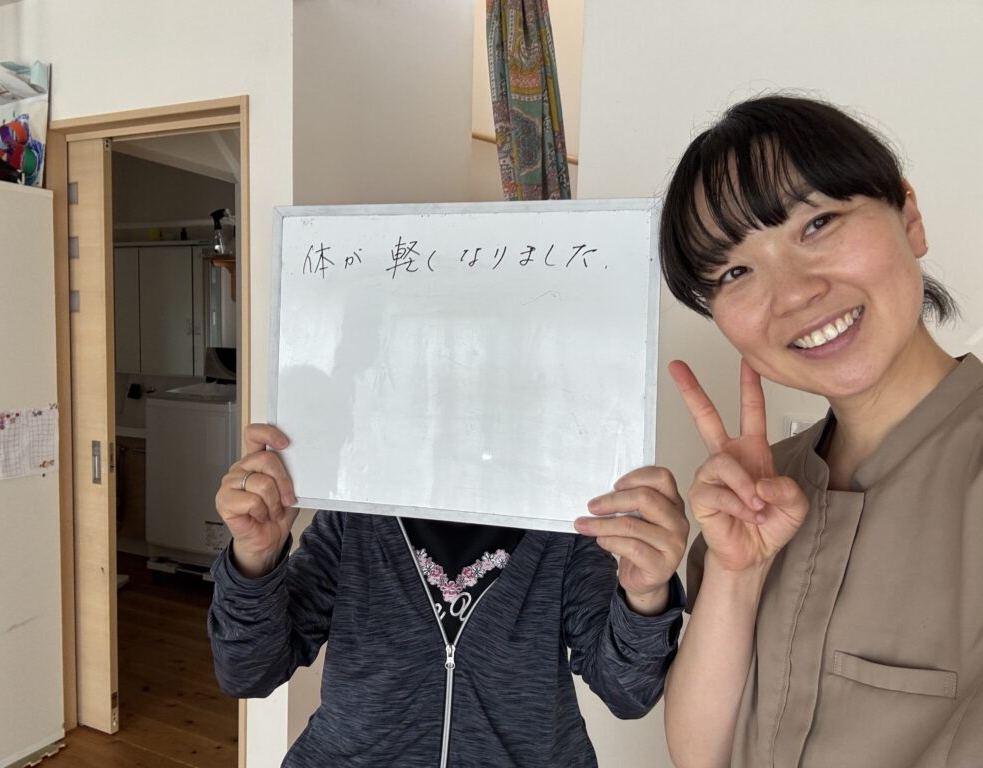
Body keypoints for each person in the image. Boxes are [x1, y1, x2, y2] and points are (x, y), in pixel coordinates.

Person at [658, 94, 982, 766]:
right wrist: (737, 574)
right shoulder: (761, 488)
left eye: (818, 224)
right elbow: (701, 757)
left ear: (910, 218)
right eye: (735, 272)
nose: (793, 293)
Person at [208, 417, 689, 766]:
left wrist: (645, 595)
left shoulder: (563, 526)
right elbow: (249, 672)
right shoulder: (355, 516)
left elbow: (627, 694)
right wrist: (255, 557)